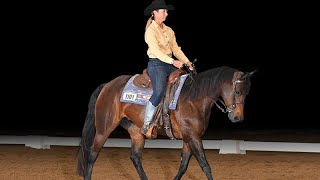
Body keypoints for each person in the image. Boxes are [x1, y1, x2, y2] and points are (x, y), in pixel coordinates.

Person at [141, 0, 194, 135]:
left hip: (169, 63)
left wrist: (187, 62)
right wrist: (173, 62)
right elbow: (157, 51)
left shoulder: (169, 30)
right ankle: (147, 124)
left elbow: (176, 49)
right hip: (156, 64)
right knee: (158, 91)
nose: (166, 13)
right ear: (155, 13)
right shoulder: (150, 31)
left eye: (166, 11)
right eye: (163, 11)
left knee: (188, 82)